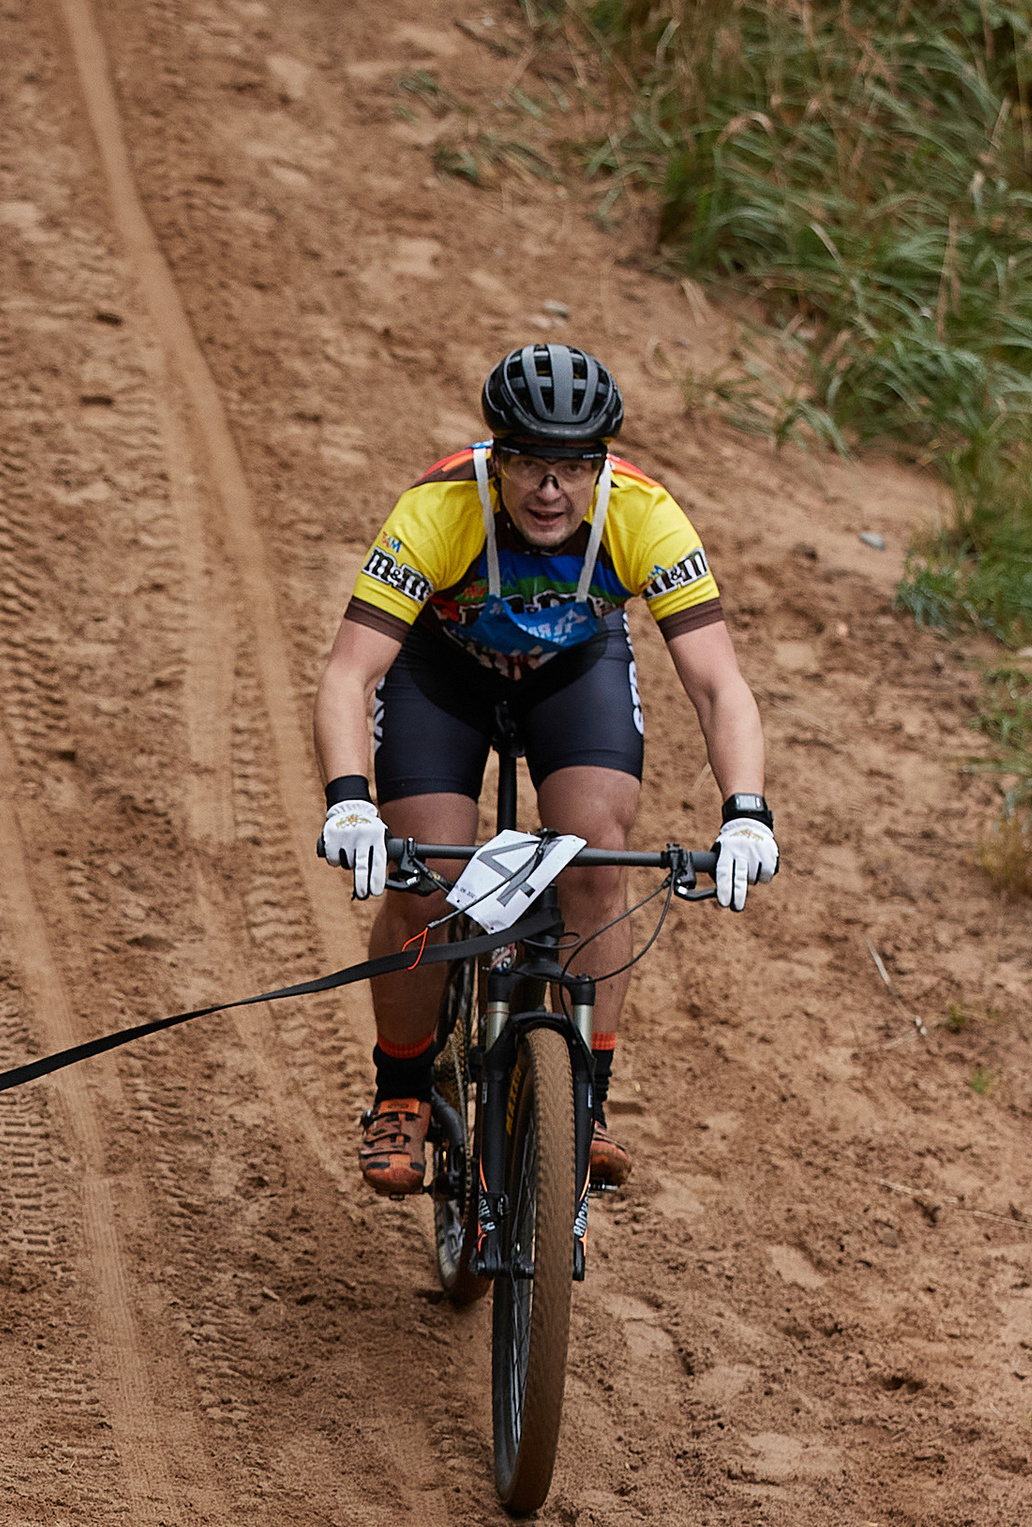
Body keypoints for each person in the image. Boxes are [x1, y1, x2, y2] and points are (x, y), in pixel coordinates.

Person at [311, 342, 775, 1196]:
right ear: (497, 461)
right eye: (529, 462)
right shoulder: (438, 509)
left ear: (602, 466)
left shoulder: (644, 515)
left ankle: (583, 1099)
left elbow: (717, 683)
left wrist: (746, 811)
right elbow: (351, 672)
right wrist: (350, 804)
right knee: (426, 875)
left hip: (572, 671)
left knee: (596, 852)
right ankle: (403, 1092)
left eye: (573, 465)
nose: (550, 488)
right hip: (440, 671)